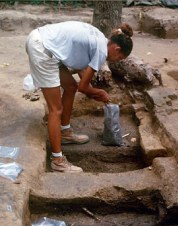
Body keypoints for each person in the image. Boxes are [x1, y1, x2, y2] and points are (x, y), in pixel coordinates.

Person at [25, 21, 133, 172]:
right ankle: (57, 160)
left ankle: (65, 132)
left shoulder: (100, 39)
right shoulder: (102, 52)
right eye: (120, 57)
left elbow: (81, 73)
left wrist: (91, 90)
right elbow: (84, 87)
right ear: (117, 48)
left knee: (70, 87)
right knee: (55, 109)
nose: (116, 61)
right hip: (43, 49)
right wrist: (98, 93)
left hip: (44, 42)